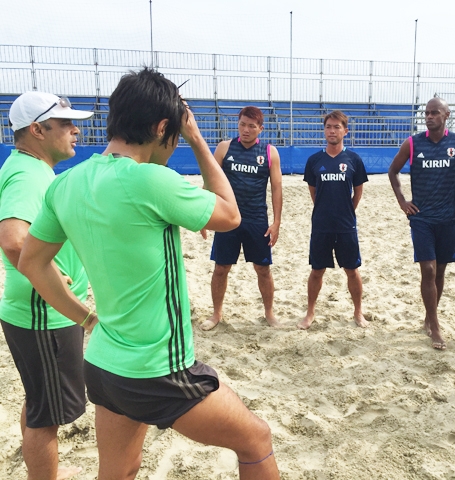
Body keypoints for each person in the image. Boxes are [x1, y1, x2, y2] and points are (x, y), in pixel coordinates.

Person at [18, 68, 279, 480]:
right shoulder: (153, 180)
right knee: (257, 440)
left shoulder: (65, 184)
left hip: (103, 363)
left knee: (119, 471)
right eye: (173, 134)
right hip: (159, 369)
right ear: (162, 128)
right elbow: (230, 214)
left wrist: (85, 318)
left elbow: (30, 262)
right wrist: (197, 140)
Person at [0, 92, 93, 480]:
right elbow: (13, 237)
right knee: (46, 417)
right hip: (43, 315)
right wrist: (51, 268)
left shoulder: (29, 168)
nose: (76, 130)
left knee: (41, 403)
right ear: (37, 130)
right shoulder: (26, 173)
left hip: (37, 311)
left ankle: (43, 468)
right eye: (65, 124)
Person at [388, 97, 455, 350]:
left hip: (447, 217)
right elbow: (393, 172)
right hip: (422, 217)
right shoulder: (413, 143)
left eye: (434, 112)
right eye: (426, 113)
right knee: (428, 269)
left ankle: (429, 316)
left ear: (447, 115)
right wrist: (403, 201)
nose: (429, 116)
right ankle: (435, 325)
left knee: (441, 271)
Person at [201, 106, 283, 330]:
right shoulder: (225, 148)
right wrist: (204, 216)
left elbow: (276, 188)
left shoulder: (269, 152)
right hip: (227, 218)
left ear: (260, 129)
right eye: (242, 124)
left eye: (251, 126)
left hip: (257, 219)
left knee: (263, 269)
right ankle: (216, 314)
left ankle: (269, 313)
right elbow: (209, 181)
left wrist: (276, 222)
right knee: (221, 268)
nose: (246, 130)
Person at [299, 110, 368, 330]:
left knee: (352, 270)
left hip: (346, 225)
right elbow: (313, 191)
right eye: (328, 126)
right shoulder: (314, 160)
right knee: (317, 270)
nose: (332, 130)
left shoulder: (353, 160)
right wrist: (325, 209)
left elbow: (358, 191)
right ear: (324, 130)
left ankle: (358, 312)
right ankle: (310, 313)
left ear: (345, 131)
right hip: (321, 224)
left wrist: (347, 210)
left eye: (337, 127)